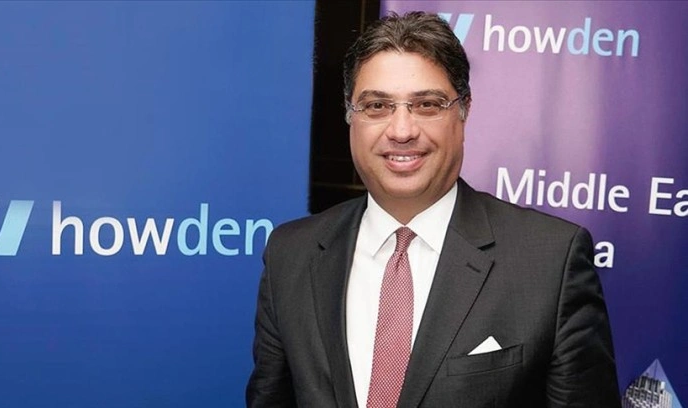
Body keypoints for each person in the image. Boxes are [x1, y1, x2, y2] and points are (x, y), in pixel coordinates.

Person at [246, 11, 620, 408]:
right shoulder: (291, 254)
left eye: (427, 104)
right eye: (377, 105)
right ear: (349, 114)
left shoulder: (550, 263)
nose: (402, 131)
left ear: (464, 110)